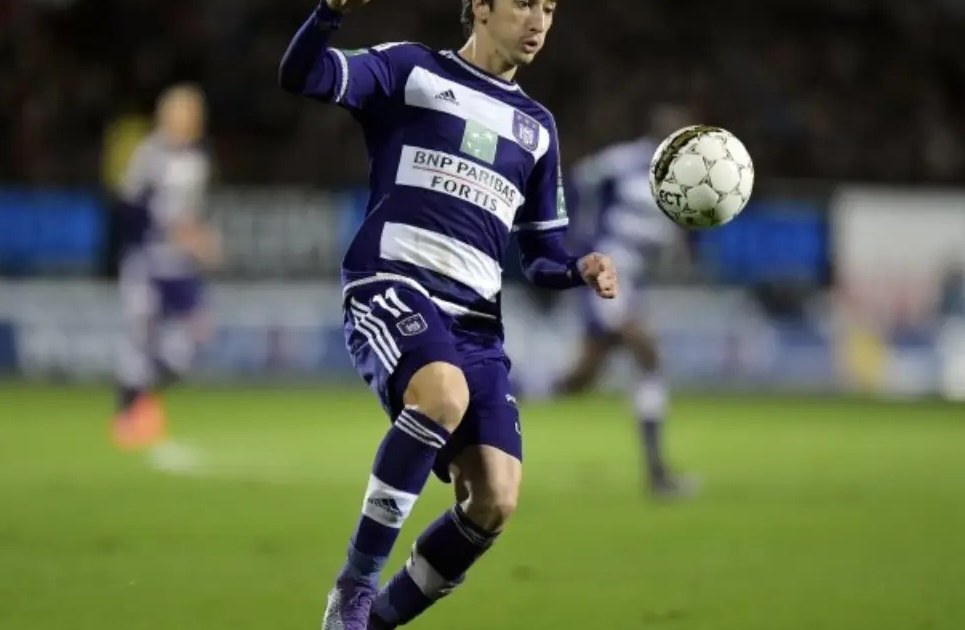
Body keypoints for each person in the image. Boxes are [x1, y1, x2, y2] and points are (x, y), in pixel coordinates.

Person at [278, 1, 618, 628]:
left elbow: (540, 253)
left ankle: (369, 625)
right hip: (393, 282)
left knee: (494, 499)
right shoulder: (411, 71)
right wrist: (328, 13)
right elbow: (304, 75)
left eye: (549, 8)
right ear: (480, 6)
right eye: (524, 3)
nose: (539, 21)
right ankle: (354, 587)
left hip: (476, 324)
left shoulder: (538, 128)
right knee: (441, 395)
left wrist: (579, 268)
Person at [553, 103, 700, 498]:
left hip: (632, 282)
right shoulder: (625, 161)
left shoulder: (682, 183)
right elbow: (579, 180)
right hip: (606, 274)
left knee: (578, 380)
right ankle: (658, 475)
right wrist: (575, 242)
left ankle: (506, 392)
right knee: (647, 354)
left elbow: (669, 238)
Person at [111, 85, 221, 451]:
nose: (192, 120)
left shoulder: (198, 160)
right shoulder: (150, 155)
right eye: (185, 112)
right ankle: (127, 415)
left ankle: (142, 399)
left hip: (181, 266)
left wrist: (201, 239)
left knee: (195, 336)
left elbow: (191, 213)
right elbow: (131, 208)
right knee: (140, 338)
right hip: (148, 262)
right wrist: (174, 233)